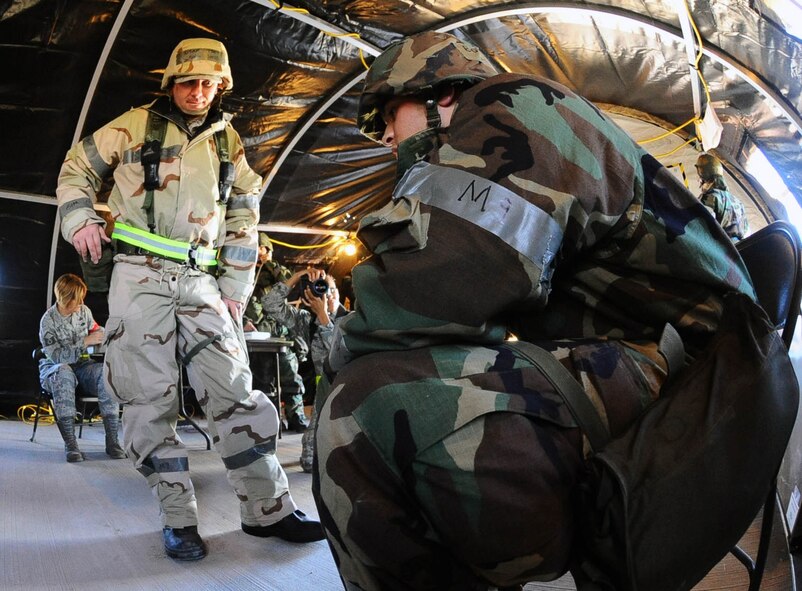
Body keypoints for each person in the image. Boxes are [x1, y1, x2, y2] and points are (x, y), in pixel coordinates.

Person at [312, 31, 757, 590]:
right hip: (668, 361)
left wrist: (338, 350)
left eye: (386, 120)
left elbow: (438, 284)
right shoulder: (516, 116)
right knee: (398, 384)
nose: (386, 141)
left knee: (356, 409)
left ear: (436, 96)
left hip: (697, 379)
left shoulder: (512, 106)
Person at [56, 38, 323, 561]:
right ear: (171, 83)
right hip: (138, 276)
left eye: (209, 83)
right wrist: (80, 219)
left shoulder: (230, 145)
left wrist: (237, 289)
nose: (198, 92)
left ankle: (267, 513)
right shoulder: (131, 125)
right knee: (147, 399)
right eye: (188, 82)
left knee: (236, 391)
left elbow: (247, 216)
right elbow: (75, 168)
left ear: (221, 85)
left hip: (203, 281)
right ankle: (178, 521)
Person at [38, 273, 126, 463]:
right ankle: (70, 444)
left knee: (105, 372)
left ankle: (113, 442)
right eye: (76, 299)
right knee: (64, 373)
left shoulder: (83, 311)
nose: (81, 303)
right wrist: (84, 341)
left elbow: (95, 328)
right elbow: (57, 357)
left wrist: (103, 333)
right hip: (55, 369)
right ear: (64, 298)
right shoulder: (48, 322)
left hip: (82, 366)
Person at [262, 269, 343, 472]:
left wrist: (324, 316)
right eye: (322, 290)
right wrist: (297, 276)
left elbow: (340, 355)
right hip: (325, 389)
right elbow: (270, 305)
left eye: (331, 290)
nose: (328, 295)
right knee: (308, 461)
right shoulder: (307, 321)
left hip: (351, 387)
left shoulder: (352, 319)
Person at [243, 233, 309, 432]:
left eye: (259, 248)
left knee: (291, 378)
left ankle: (295, 416)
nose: (256, 252)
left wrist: (268, 263)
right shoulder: (246, 274)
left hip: (280, 334)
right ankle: (271, 420)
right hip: (258, 336)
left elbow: (288, 282)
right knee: (263, 382)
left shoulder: (277, 271)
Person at [695, 152, 749, 240]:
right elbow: (746, 232)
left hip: (718, 249)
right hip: (737, 250)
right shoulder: (739, 202)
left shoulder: (710, 197)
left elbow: (699, 229)